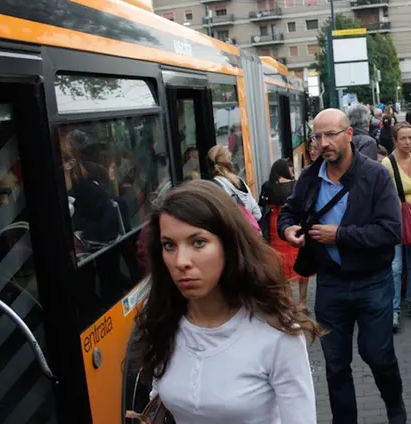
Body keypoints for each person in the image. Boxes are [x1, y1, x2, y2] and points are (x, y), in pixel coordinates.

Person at [132, 180, 320, 424]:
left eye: (198, 242)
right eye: (169, 245)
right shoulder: (164, 322)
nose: (181, 261)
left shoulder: (276, 333)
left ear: (229, 245)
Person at [278, 109, 406, 424]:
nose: (323, 143)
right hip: (331, 285)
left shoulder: (376, 175)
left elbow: (391, 230)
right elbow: (288, 212)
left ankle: (395, 407)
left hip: (373, 282)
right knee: (336, 364)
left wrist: (341, 236)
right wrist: (288, 230)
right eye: (317, 136)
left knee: (378, 355)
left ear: (348, 134)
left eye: (330, 134)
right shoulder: (309, 177)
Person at [382, 122, 411, 332]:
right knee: (395, 267)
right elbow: (382, 194)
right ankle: (393, 310)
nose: (408, 142)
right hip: (396, 221)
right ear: (395, 140)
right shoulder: (387, 163)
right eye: (403, 138)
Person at [260, 159, 311, 311]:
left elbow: (262, 208)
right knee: (301, 261)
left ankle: (288, 301)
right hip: (295, 225)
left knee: (281, 265)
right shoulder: (295, 185)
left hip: (276, 227)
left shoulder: (267, 186)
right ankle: (302, 302)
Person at [208, 145, 261, 221]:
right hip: (250, 230)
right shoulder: (240, 181)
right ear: (229, 161)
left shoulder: (213, 186)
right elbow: (257, 214)